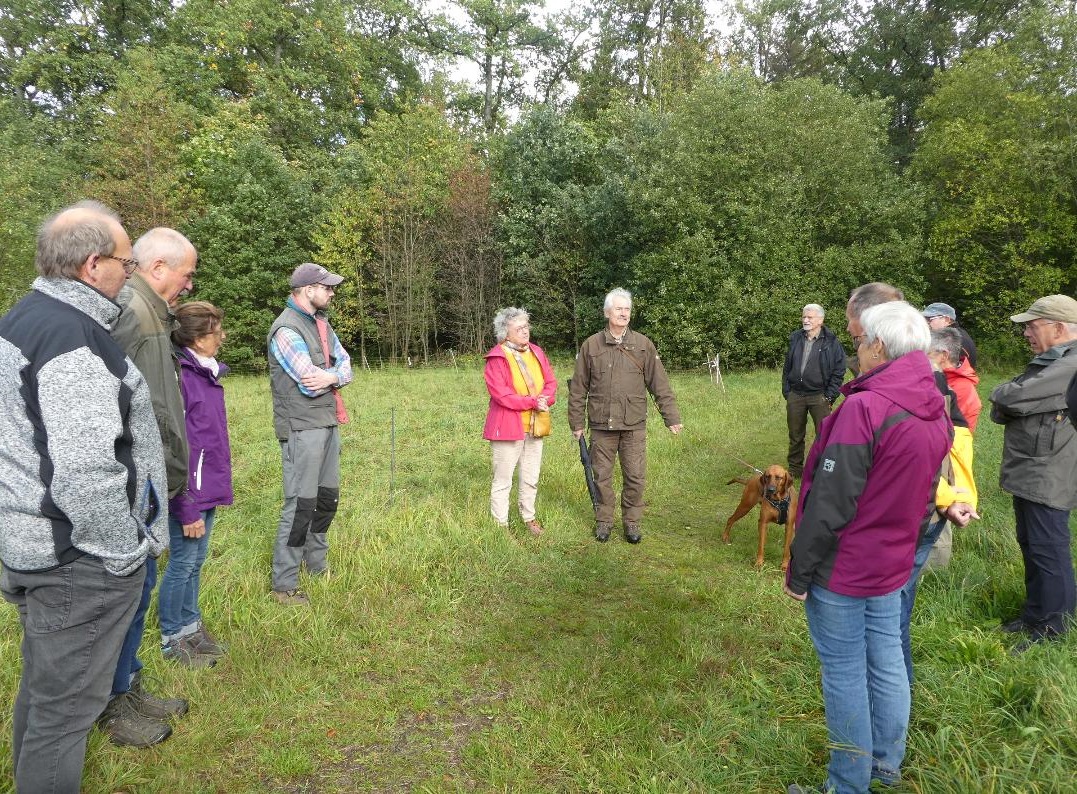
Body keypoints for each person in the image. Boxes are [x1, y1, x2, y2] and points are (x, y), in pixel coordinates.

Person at [0, 201, 167, 793]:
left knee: (46, 699)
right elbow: (85, 466)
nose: (130, 273)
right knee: (65, 715)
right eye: (125, 261)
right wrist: (121, 551)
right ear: (93, 264)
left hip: (31, 543)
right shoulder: (72, 339)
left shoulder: (23, 319)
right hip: (77, 559)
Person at [784, 301, 952, 794]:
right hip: (893, 562)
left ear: (878, 346)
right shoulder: (932, 405)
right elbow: (925, 494)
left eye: (860, 342)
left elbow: (830, 504)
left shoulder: (865, 407)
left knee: (845, 673)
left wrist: (800, 572)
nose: (856, 350)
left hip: (846, 568)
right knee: (887, 662)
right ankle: (885, 765)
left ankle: (847, 784)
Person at [98, 226, 202, 747]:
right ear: (157, 267)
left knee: (138, 593)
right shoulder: (133, 317)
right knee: (126, 597)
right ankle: (113, 706)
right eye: (186, 274)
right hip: (132, 480)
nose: (189, 284)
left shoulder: (150, 316)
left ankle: (128, 685)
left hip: (151, 475)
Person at [989, 294, 1077, 651]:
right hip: (1034, 468)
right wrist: (1012, 399)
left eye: (1031, 325)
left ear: (1058, 327)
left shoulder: (1069, 365)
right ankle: (1036, 614)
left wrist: (1012, 399)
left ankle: (1054, 626)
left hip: (1049, 471)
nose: (1026, 332)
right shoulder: (1051, 361)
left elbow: (1008, 397)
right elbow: (1005, 405)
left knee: (1048, 548)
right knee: (1033, 544)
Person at [567, 288, 682, 543]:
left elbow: (659, 384)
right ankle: (604, 522)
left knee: (635, 476)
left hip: (633, 425)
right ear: (607, 312)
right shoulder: (591, 345)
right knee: (602, 476)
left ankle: (631, 522)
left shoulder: (642, 344)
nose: (623, 313)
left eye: (627, 309)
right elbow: (578, 389)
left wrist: (671, 417)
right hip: (601, 424)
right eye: (618, 309)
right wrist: (576, 423)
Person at [268, 263, 352, 605]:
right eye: (326, 287)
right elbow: (308, 379)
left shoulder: (321, 324)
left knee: (326, 499)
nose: (331, 293)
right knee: (301, 503)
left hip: (327, 422)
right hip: (302, 427)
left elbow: (346, 366)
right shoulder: (286, 330)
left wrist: (332, 376)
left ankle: (316, 565)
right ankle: (284, 583)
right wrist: (334, 376)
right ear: (306, 290)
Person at [899, 327, 978, 683]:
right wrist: (959, 497)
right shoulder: (938, 385)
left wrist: (952, 497)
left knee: (893, 612)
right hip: (935, 508)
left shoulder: (927, 386)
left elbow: (929, 459)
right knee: (899, 604)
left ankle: (895, 691)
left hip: (919, 513)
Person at [159, 301, 233, 666]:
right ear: (195, 338)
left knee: (197, 560)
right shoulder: (181, 377)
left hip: (207, 486)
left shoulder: (206, 373)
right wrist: (185, 502)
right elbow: (174, 445)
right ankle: (173, 638)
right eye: (214, 331)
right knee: (183, 562)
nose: (221, 337)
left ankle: (191, 627)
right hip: (188, 491)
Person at [483, 307, 557, 534]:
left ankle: (529, 517)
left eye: (526, 326)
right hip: (507, 427)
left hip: (536, 425)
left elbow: (550, 382)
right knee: (503, 480)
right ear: (506, 332)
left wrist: (546, 399)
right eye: (519, 328)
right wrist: (533, 402)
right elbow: (501, 394)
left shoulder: (536, 351)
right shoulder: (497, 357)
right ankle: (500, 526)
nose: (525, 331)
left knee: (530, 476)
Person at [781, 303, 846, 478]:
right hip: (796, 394)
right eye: (804, 316)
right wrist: (787, 391)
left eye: (810, 317)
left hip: (819, 396)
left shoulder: (831, 342)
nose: (806, 320)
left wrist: (830, 396)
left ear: (821, 320)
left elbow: (839, 370)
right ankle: (795, 469)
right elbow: (787, 367)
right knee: (795, 435)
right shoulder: (795, 338)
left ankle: (821, 469)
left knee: (823, 435)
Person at [928, 326, 982, 433]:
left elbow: (959, 437)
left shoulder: (964, 390)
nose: (924, 358)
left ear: (944, 355)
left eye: (928, 353)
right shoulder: (936, 377)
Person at [923, 302, 978, 369]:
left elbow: (957, 369)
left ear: (947, 320)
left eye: (929, 319)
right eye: (925, 319)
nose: (926, 323)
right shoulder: (951, 335)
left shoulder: (955, 339)